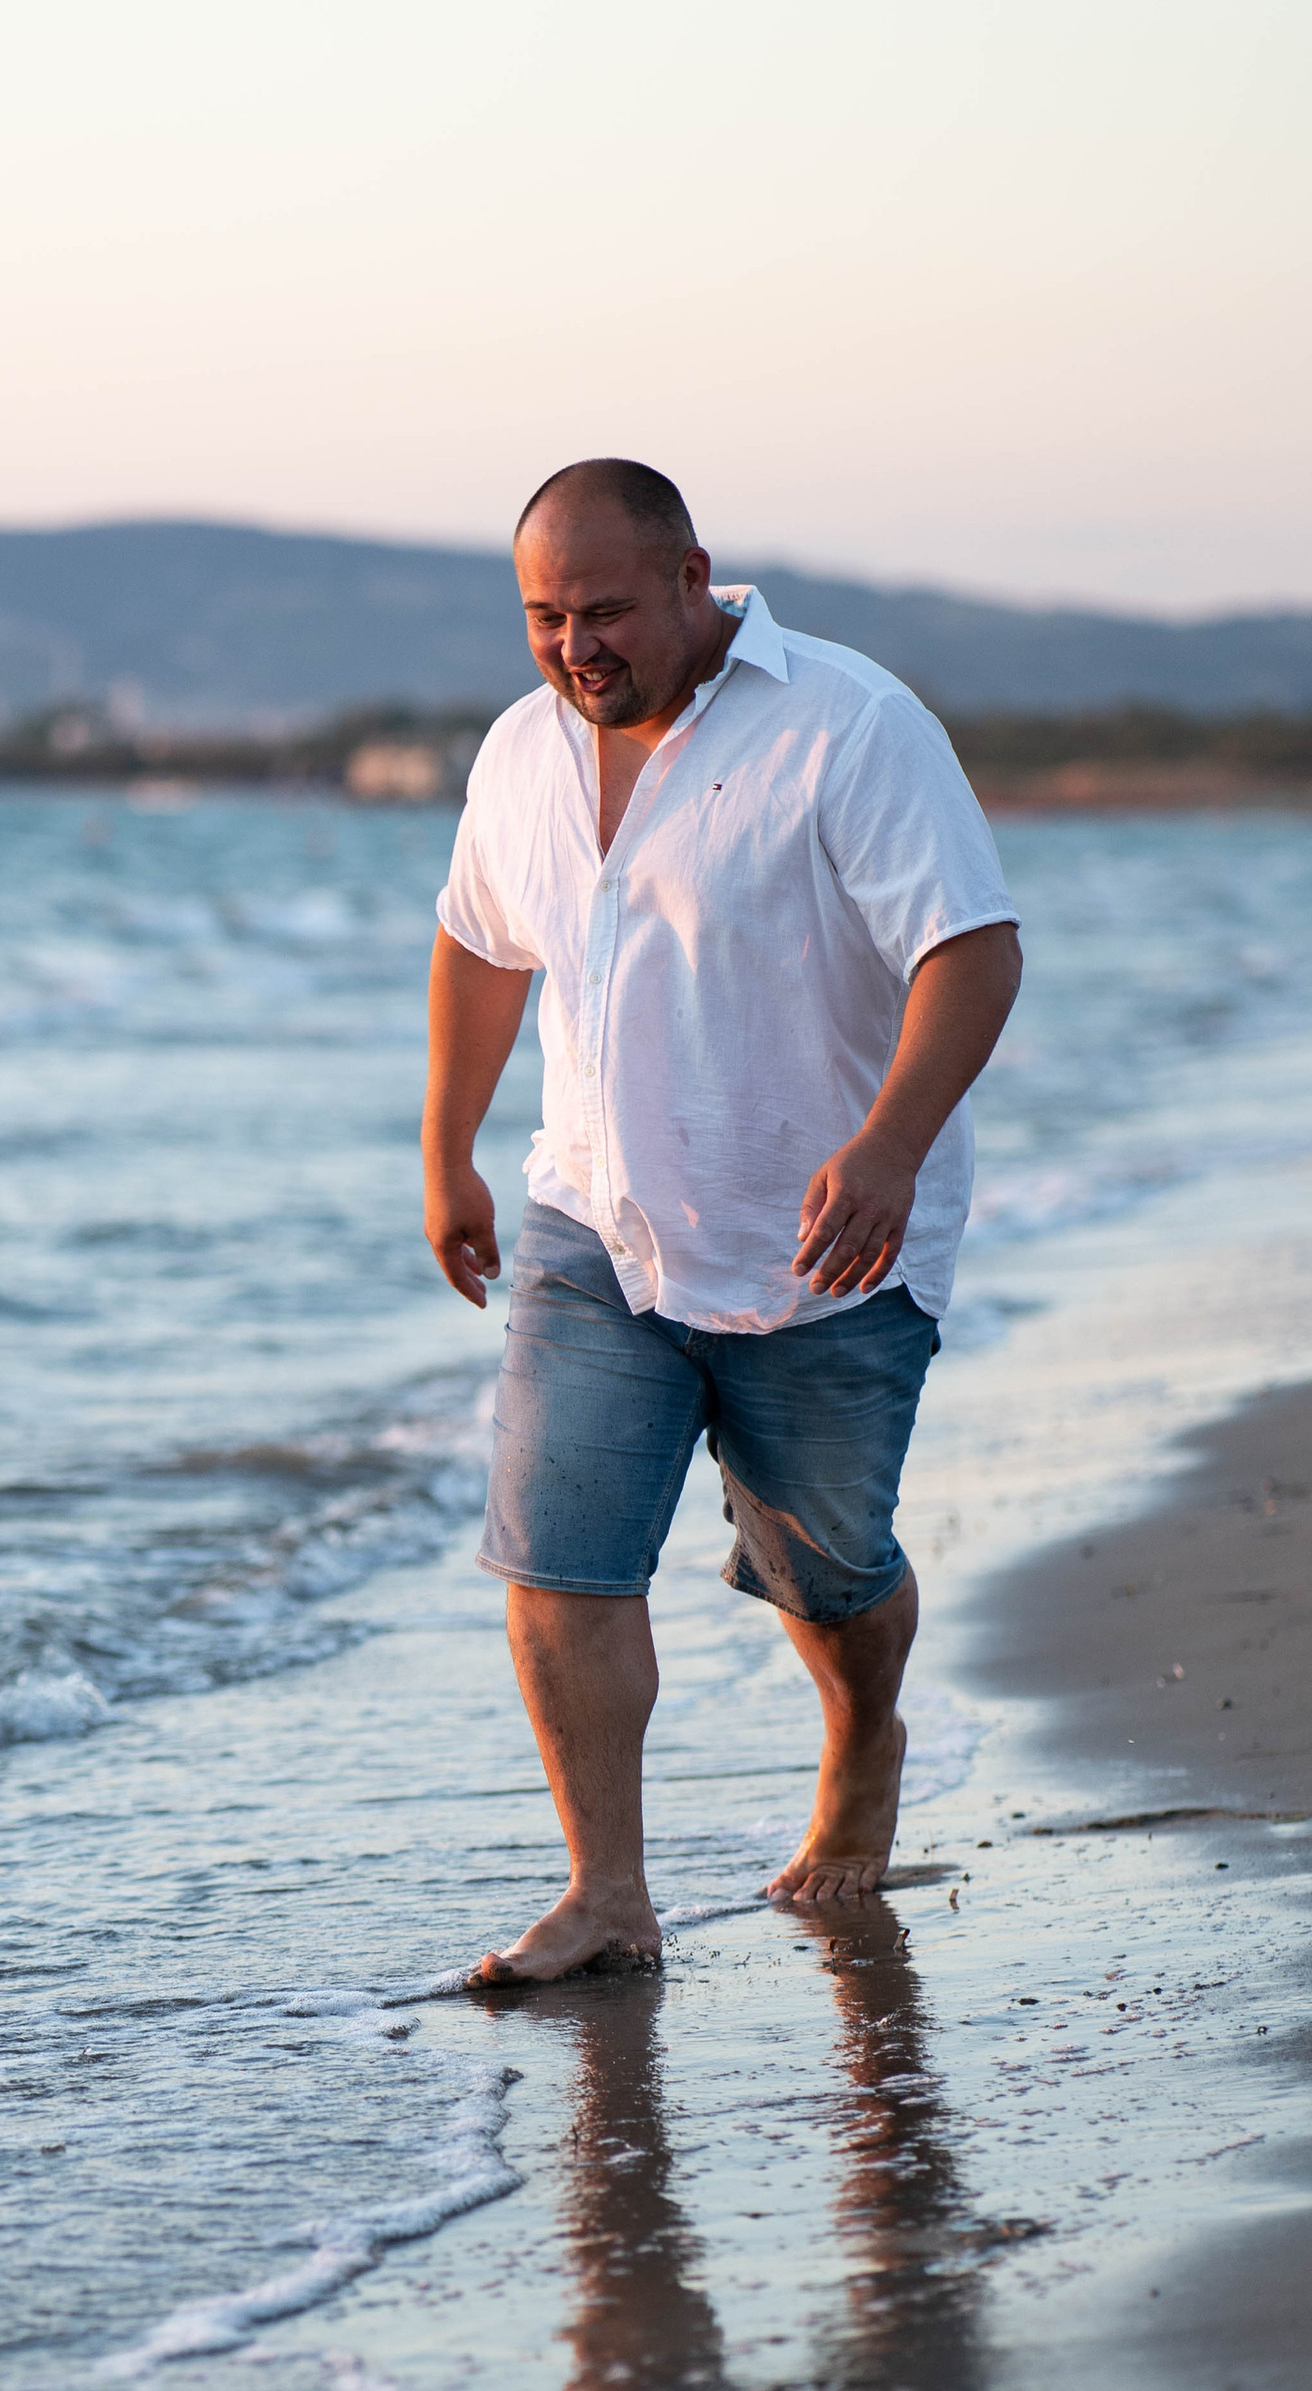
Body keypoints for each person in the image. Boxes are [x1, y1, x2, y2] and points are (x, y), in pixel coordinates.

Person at [422, 458, 1022, 1986]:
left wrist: (889, 1145)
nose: (576, 646)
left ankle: (861, 1732)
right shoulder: (518, 753)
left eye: (606, 609)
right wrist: (449, 1151)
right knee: (560, 1563)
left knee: (825, 1569)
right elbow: (482, 946)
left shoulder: (852, 724)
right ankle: (607, 1894)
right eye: (545, 616)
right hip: (590, 1225)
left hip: (822, 1246)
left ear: (697, 580)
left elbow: (973, 949)